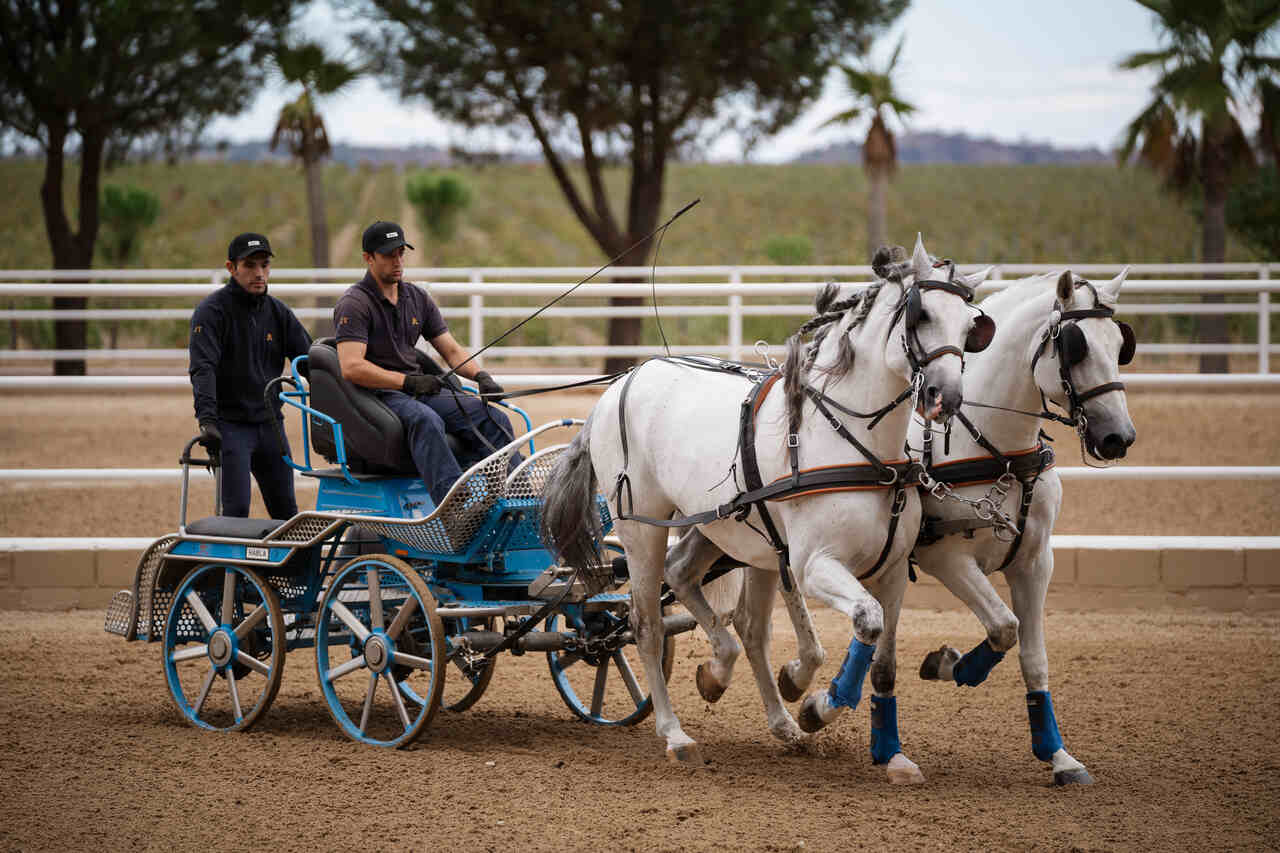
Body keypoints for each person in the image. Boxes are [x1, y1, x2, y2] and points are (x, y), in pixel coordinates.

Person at [333, 220, 517, 505]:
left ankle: (515, 497)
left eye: (400, 253)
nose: (397, 261)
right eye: (388, 255)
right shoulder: (355, 303)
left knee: (493, 417)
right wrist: (407, 381)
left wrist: (481, 377)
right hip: (377, 396)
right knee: (426, 420)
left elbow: (452, 350)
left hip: (418, 391)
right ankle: (455, 507)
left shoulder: (416, 297)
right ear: (368, 259)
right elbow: (351, 367)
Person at [189, 232, 312, 518]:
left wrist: (341, 395)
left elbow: (309, 361)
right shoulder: (211, 313)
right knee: (235, 511)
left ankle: (287, 566)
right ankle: (229, 565)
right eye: (250, 266)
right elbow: (202, 368)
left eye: (264, 265)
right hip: (231, 427)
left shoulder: (279, 313)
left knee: (287, 513)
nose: (259, 273)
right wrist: (207, 420)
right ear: (231, 268)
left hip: (271, 425)